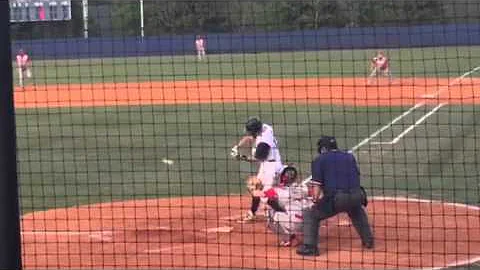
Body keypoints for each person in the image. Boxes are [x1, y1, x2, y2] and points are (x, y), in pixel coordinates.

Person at [296, 136, 374, 256]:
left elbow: (316, 187)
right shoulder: (349, 156)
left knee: (310, 214)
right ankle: (368, 240)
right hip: (358, 195)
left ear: (323, 149)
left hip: (338, 198)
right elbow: (355, 175)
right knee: (355, 209)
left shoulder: (319, 160)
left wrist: (315, 202)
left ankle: (310, 247)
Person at [231, 117, 284, 222]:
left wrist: (241, 157)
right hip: (267, 164)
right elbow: (250, 137)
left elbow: (257, 159)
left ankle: (283, 213)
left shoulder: (263, 144)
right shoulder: (265, 128)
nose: (249, 133)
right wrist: (237, 146)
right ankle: (252, 213)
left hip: (271, 168)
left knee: (266, 195)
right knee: (255, 187)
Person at [251, 165, 313, 247]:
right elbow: (316, 197)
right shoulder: (303, 188)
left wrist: (253, 189)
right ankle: (310, 236)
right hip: (310, 222)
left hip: (294, 223)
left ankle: (290, 238)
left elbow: (257, 194)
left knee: (271, 214)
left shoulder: (276, 190)